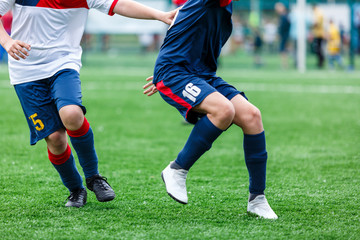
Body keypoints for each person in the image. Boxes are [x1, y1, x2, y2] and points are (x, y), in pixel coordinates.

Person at [0, 0, 176, 208]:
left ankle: (94, 178)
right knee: (56, 139)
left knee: (72, 114)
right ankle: (76, 190)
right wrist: (7, 41)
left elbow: (120, 5)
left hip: (63, 64)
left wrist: (160, 15)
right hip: (25, 72)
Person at [143, 0, 278, 219]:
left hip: (201, 74)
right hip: (175, 72)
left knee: (252, 116)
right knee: (223, 110)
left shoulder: (225, 7)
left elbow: (186, 32)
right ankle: (177, 169)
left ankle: (257, 199)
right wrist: (163, 71)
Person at [275, 2, 291, 69]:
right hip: (285, 35)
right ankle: (285, 64)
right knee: (283, 50)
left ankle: (285, 65)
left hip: (285, 36)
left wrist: (280, 34)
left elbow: (284, 27)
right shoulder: (285, 16)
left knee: (283, 50)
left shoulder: (284, 16)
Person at [312, 4, 325, 69]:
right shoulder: (318, 12)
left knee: (318, 48)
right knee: (318, 48)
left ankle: (321, 61)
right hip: (318, 34)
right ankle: (320, 61)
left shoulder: (318, 13)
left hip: (319, 34)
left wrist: (311, 27)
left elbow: (317, 23)